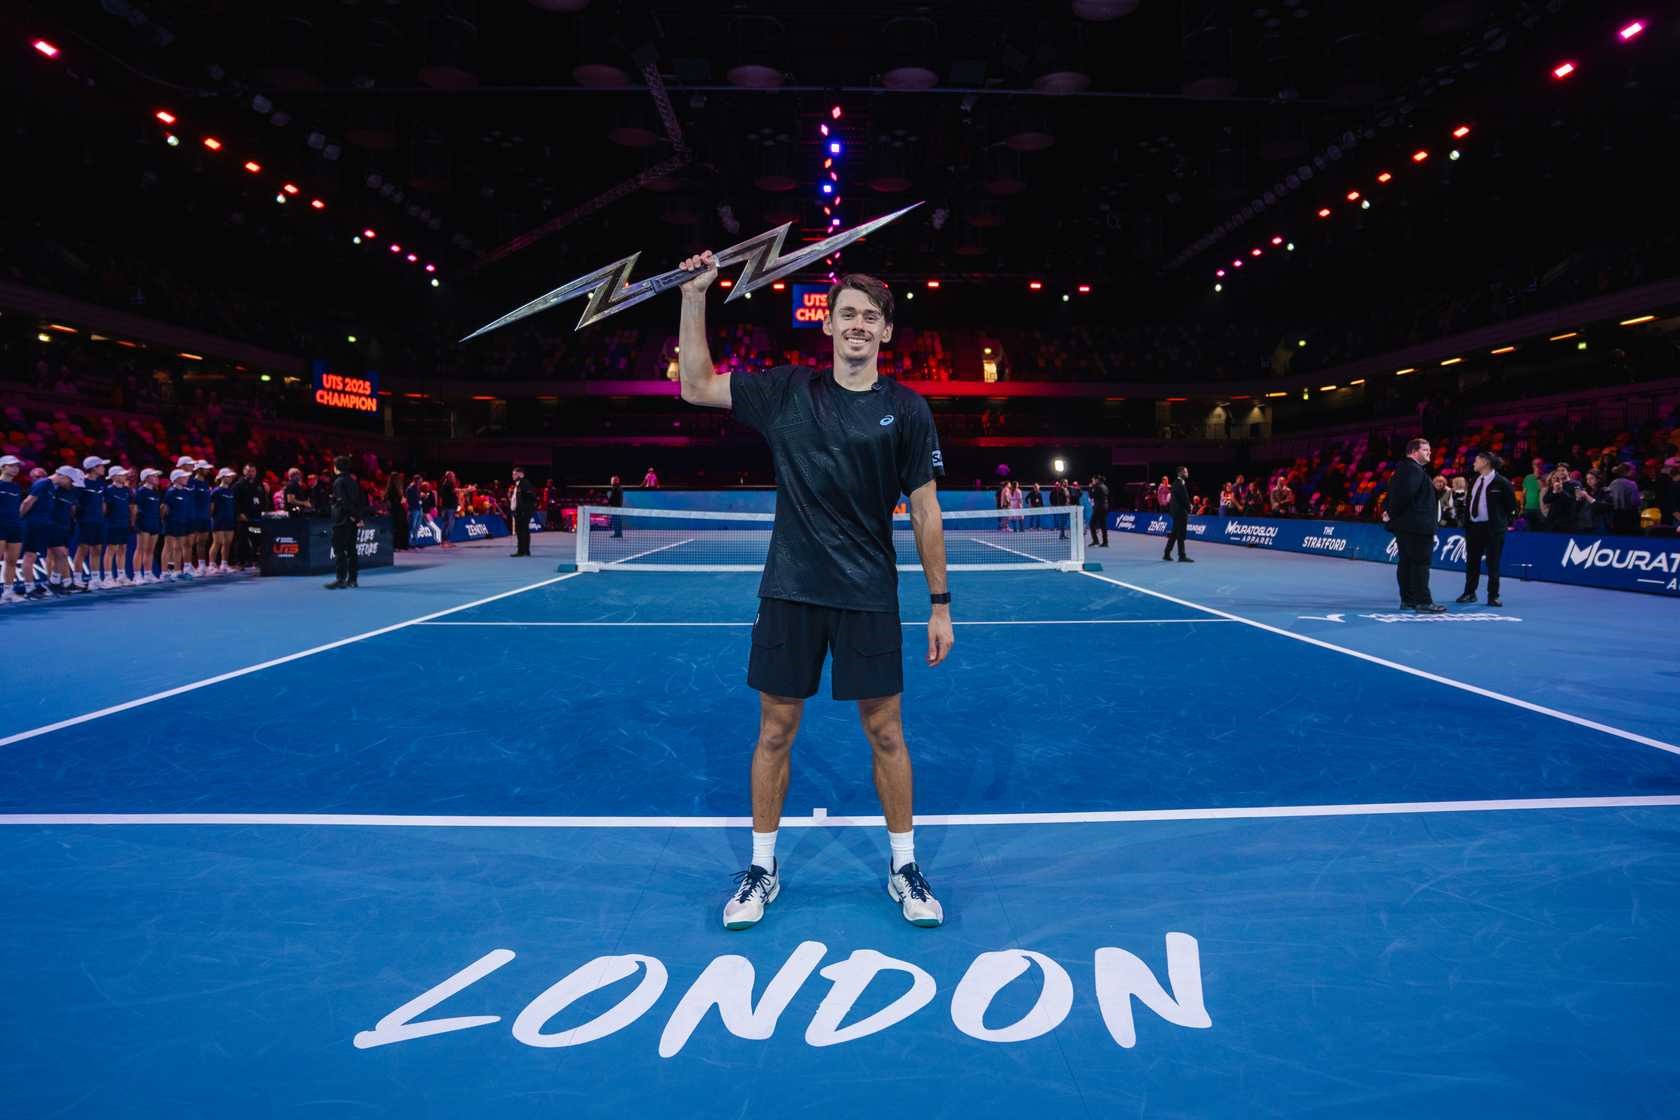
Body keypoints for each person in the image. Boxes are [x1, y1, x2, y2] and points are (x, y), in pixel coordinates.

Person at [676, 254, 952, 930]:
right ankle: (763, 870)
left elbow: (925, 512)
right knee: (775, 731)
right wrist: (693, 296)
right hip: (792, 591)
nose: (858, 325)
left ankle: (904, 867)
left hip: (868, 596)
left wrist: (940, 605)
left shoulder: (908, 411)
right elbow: (695, 386)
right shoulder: (785, 392)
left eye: (871, 317)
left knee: (886, 732)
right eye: (848, 314)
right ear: (827, 326)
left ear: (886, 334)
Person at [1384, 437, 1444, 612]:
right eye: (1426, 450)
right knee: (1420, 564)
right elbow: (1403, 496)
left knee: (1407, 563)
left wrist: (1390, 513)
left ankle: (1408, 600)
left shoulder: (1404, 469)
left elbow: (1394, 495)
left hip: (1407, 526)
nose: (1429, 453)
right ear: (1413, 451)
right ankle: (1423, 601)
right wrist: (1391, 513)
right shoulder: (1413, 470)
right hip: (1417, 527)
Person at [1457, 451, 1517, 607]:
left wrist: (1502, 523)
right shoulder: (1474, 479)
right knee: (1472, 562)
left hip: (1493, 529)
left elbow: (1511, 506)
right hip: (1474, 527)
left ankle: (1493, 596)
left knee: (1493, 563)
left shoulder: (1502, 482)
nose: (1474, 463)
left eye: (1476, 460)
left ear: (1485, 462)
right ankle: (1469, 593)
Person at [18, 465, 62, 599]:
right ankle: (29, 588)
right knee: (29, 555)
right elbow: (27, 503)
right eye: (37, 477)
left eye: (42, 475)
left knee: (46, 554)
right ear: (32, 479)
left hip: (45, 524)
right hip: (33, 524)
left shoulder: (51, 488)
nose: (40, 478)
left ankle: (51, 584)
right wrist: (20, 518)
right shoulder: (40, 485)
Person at [325, 455, 368, 590]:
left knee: (339, 551)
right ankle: (353, 580)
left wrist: (352, 515)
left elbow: (344, 502)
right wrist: (358, 518)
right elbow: (359, 502)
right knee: (351, 550)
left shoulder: (339, 482)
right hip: (352, 521)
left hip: (342, 521)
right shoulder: (353, 481)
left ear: (336, 467)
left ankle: (340, 579)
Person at [74, 456, 109, 589]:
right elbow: (75, 504)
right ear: (94, 468)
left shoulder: (101, 484)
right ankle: (77, 579)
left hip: (98, 521)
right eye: (101, 466)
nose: (103, 468)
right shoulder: (81, 483)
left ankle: (95, 579)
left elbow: (102, 503)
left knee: (97, 549)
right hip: (85, 521)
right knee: (82, 549)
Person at [101, 467, 134, 586]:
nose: (124, 476)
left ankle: (121, 576)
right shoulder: (108, 490)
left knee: (123, 549)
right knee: (111, 550)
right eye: (121, 474)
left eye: (124, 474)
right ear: (114, 477)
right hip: (112, 524)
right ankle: (108, 577)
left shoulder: (127, 490)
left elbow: (130, 507)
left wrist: (131, 522)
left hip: (124, 523)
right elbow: (104, 509)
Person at [161, 469, 194, 580]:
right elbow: (163, 509)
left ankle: (177, 571)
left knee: (179, 547)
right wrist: (165, 521)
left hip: (183, 523)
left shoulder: (186, 492)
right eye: (184, 477)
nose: (187, 478)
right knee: (168, 547)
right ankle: (164, 573)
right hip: (171, 523)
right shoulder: (171, 492)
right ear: (176, 479)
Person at [133, 469, 163, 584]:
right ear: (146, 478)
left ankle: (148, 574)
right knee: (141, 549)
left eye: (157, 476)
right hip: (143, 523)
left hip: (155, 523)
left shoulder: (156, 492)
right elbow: (136, 509)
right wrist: (136, 524)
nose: (157, 478)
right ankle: (137, 576)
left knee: (150, 550)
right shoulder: (140, 491)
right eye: (154, 476)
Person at [0, 455, 22, 603]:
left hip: (15, 526)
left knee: (12, 561)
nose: (15, 469)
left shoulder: (16, 487)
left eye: (17, 466)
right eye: (11, 465)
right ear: (2, 467)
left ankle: (8, 592)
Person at [233, 464, 264, 569]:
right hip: (244, 518)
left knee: (256, 539)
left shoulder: (259, 484)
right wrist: (239, 513)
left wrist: (263, 512)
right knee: (242, 540)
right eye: (249, 471)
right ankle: (239, 562)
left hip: (256, 518)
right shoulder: (238, 485)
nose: (251, 473)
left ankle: (255, 561)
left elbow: (263, 499)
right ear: (244, 471)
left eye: (253, 471)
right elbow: (234, 501)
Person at [210, 468, 237, 573]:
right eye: (227, 476)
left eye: (231, 477)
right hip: (218, 520)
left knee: (227, 543)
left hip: (229, 520)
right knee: (217, 542)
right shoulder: (216, 491)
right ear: (222, 477)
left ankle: (224, 564)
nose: (230, 478)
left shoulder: (231, 491)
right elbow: (211, 508)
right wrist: (213, 519)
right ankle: (212, 565)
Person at [1604, 463, 1642, 535]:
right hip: (1629, 518)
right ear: (1627, 471)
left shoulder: (1613, 483)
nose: (1635, 472)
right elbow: (1635, 502)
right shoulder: (1632, 484)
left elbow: (1608, 498)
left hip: (1615, 517)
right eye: (1633, 470)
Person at [1164, 466, 1192, 562]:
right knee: (1180, 534)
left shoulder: (1177, 483)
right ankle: (1182, 555)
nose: (1187, 473)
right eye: (1185, 472)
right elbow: (1183, 499)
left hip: (1176, 513)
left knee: (1174, 534)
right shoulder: (1179, 484)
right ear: (1180, 473)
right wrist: (1189, 508)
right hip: (1180, 513)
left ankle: (1166, 553)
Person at [508, 466, 538, 556]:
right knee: (522, 530)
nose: (513, 475)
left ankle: (522, 551)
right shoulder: (518, 485)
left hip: (523, 511)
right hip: (520, 511)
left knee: (522, 530)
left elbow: (532, 496)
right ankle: (524, 550)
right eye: (512, 474)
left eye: (515, 473)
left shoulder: (525, 483)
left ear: (521, 474)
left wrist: (525, 508)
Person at [438, 471, 458, 548]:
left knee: (450, 525)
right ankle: (444, 542)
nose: (454, 478)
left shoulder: (450, 485)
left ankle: (447, 541)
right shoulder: (447, 485)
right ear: (449, 477)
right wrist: (468, 489)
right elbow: (456, 491)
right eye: (453, 476)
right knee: (447, 525)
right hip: (448, 508)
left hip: (451, 507)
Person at [1088, 474, 1110, 547]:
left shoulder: (1097, 487)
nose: (1092, 481)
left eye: (1093, 480)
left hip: (1099, 508)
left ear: (1096, 480)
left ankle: (1095, 541)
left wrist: (1090, 488)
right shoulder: (1105, 486)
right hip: (1105, 507)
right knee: (1103, 525)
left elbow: (1091, 495)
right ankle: (1105, 542)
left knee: (1091, 524)